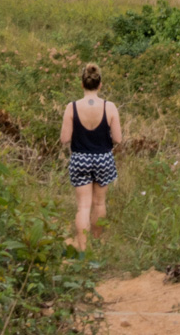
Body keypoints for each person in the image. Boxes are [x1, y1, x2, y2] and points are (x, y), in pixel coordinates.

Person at [60, 62, 122, 253]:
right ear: (100, 84)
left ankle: (83, 250)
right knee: (99, 203)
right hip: (103, 158)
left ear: (82, 84)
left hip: (80, 159)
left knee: (83, 206)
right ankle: (97, 244)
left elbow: (64, 139)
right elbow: (118, 139)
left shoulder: (72, 107)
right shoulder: (109, 107)